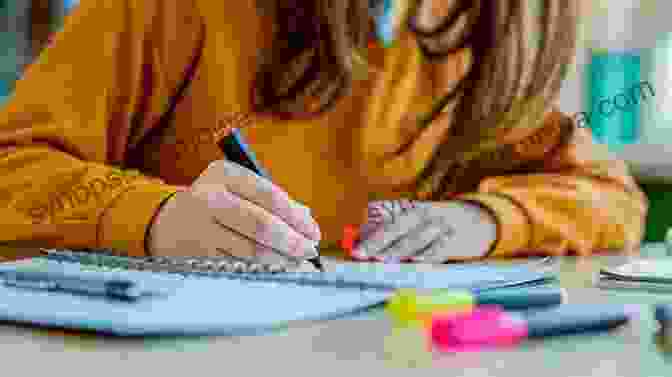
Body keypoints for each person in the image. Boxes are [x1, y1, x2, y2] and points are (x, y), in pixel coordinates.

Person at [0, 0, 647, 268]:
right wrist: (155, 215)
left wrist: (481, 221)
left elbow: (612, 197)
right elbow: (11, 167)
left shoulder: (474, 29)